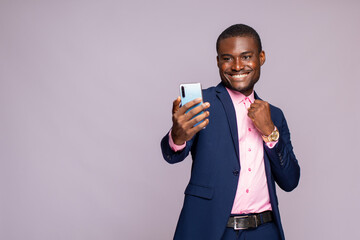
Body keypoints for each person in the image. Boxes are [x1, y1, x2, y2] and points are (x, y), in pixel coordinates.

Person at [161, 24, 300, 240]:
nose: (237, 66)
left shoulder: (275, 115)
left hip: (264, 231)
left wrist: (270, 132)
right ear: (218, 61)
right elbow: (172, 154)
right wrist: (177, 136)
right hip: (211, 229)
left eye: (246, 57)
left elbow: (290, 181)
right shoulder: (202, 102)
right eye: (227, 58)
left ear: (261, 57)